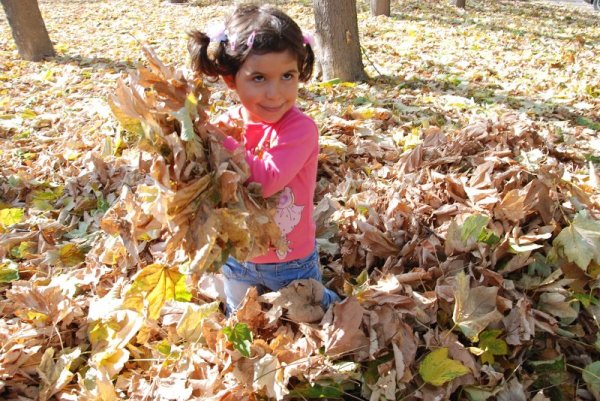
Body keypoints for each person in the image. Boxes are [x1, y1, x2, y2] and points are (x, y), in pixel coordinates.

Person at [188, 4, 340, 316]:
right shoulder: (225, 125)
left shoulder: (299, 129)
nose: (275, 92)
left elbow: (267, 181)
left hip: (290, 259)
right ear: (231, 80)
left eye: (288, 76)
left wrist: (215, 139)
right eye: (258, 78)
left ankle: (340, 307)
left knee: (312, 314)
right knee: (241, 317)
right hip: (238, 256)